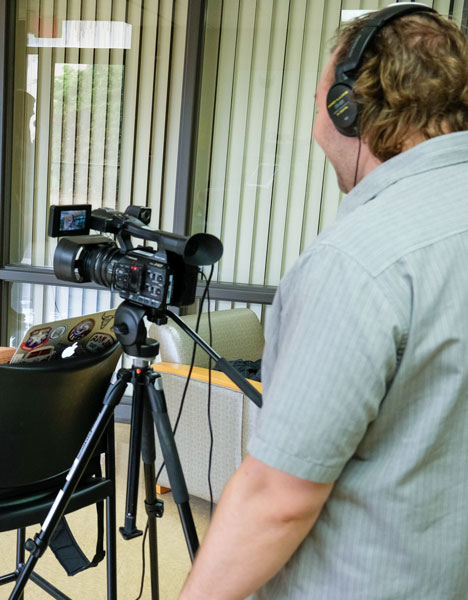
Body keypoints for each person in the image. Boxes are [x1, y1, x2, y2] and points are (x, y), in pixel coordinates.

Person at [180, 6, 468, 599]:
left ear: (350, 108)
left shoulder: (360, 261)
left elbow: (277, 499)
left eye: (319, 105)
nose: (316, 126)